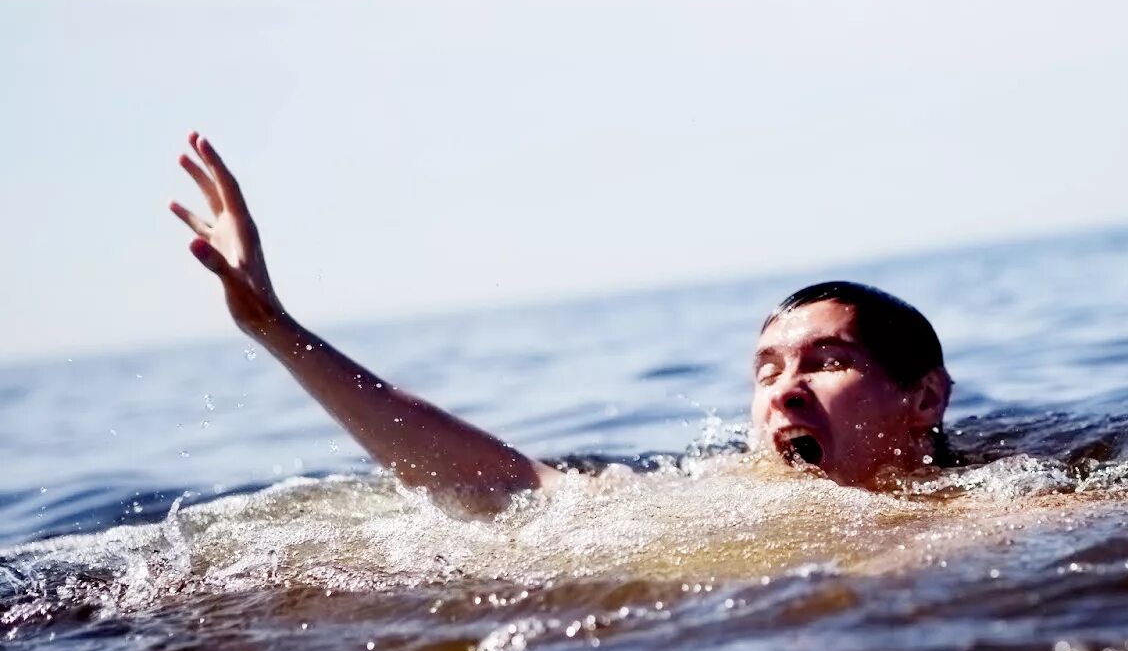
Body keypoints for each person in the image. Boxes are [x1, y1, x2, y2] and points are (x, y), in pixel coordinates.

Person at [169, 132, 954, 517]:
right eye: (766, 371)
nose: (783, 394)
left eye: (826, 362)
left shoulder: (996, 517)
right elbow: (505, 483)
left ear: (923, 399)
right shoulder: (702, 502)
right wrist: (279, 330)